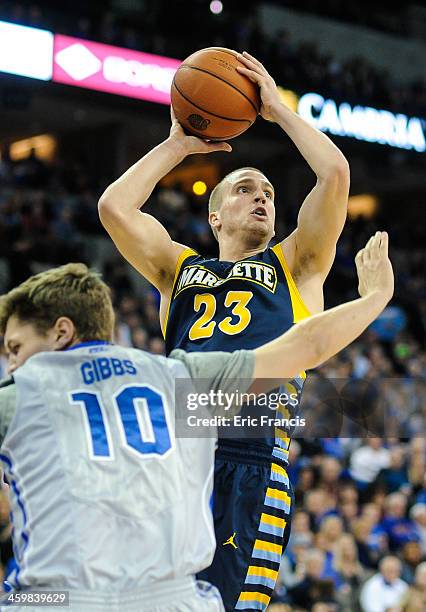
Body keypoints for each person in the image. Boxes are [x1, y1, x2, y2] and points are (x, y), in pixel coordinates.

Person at [0, 233, 393, 611]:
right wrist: (375, 298)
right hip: (173, 597)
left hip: (59, 598)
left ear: (62, 332)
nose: (13, 362)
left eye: (15, 347)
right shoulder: (175, 378)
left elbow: (111, 208)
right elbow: (306, 345)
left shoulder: (20, 395)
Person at [98, 50, 350, 610]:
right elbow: (115, 206)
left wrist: (279, 110)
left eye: (268, 192)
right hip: (175, 455)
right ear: (214, 217)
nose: (261, 196)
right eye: (244, 188)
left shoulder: (297, 265)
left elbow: (334, 175)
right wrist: (178, 145)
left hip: (252, 456)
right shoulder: (177, 269)